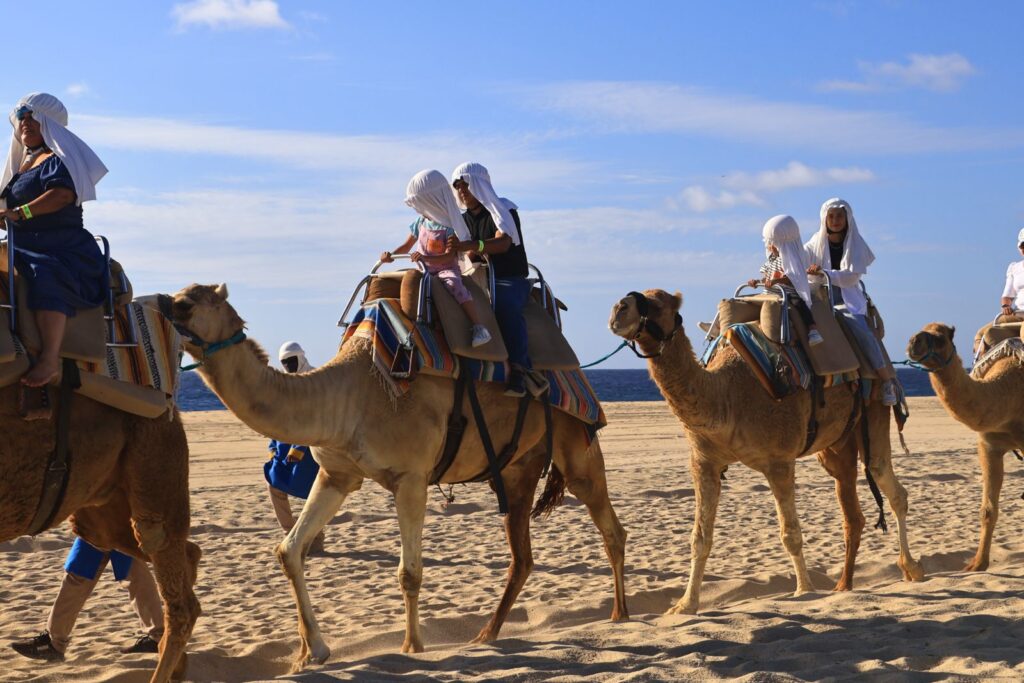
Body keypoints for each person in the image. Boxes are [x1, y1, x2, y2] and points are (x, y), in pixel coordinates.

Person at [0, 93, 109, 387]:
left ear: (49, 123)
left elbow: (62, 195)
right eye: (21, 118)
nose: (26, 123)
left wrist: (19, 213)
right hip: (22, 242)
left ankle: (49, 359)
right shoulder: (22, 165)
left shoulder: (59, 159)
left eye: (33, 117)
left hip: (60, 246)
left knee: (44, 274)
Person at [381, 169, 491, 348]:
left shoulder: (449, 226)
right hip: (424, 270)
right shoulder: (421, 223)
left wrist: (425, 258)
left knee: (454, 284)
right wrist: (390, 255)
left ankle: (478, 326)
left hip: (445, 269)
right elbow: (407, 246)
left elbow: (449, 256)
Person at [805, 198, 899, 406]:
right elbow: (800, 260)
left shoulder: (855, 244)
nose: (835, 220)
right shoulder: (814, 243)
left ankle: (886, 381)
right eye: (831, 216)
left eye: (839, 215)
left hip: (846, 299)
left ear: (847, 218)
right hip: (818, 296)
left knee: (861, 331)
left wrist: (822, 272)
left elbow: (850, 278)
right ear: (824, 219)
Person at [448, 162, 531, 397]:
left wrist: (471, 245)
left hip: (508, 279)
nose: (462, 190)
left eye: (466, 184)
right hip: (476, 278)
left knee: (505, 305)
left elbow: (503, 242)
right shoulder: (461, 220)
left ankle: (519, 369)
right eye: (457, 186)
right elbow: (467, 253)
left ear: (479, 185)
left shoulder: (503, 210)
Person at [10, 537, 163, 662]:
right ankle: (54, 641)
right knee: (80, 573)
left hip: (117, 515)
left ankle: (159, 638)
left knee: (131, 570)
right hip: (96, 518)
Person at [265, 341, 325, 554]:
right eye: (285, 362)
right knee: (275, 486)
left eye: (292, 360)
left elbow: (317, 417)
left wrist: (300, 447)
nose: (289, 365)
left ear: (300, 357)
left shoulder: (315, 380)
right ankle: (291, 534)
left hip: (313, 450)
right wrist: (272, 445)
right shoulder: (283, 383)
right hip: (284, 448)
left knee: (315, 496)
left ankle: (315, 538)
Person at [748, 214, 824, 346]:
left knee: (801, 305)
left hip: (788, 294)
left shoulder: (792, 260)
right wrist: (757, 282)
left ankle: (812, 330)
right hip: (770, 294)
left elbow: (791, 277)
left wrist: (775, 282)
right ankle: (718, 327)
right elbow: (767, 276)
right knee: (746, 300)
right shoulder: (771, 261)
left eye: (772, 243)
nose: (769, 246)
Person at [998, 228, 1024, 321]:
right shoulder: (1014, 268)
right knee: (983, 333)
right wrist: (1006, 306)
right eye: (1023, 246)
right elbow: (1007, 295)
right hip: (1017, 314)